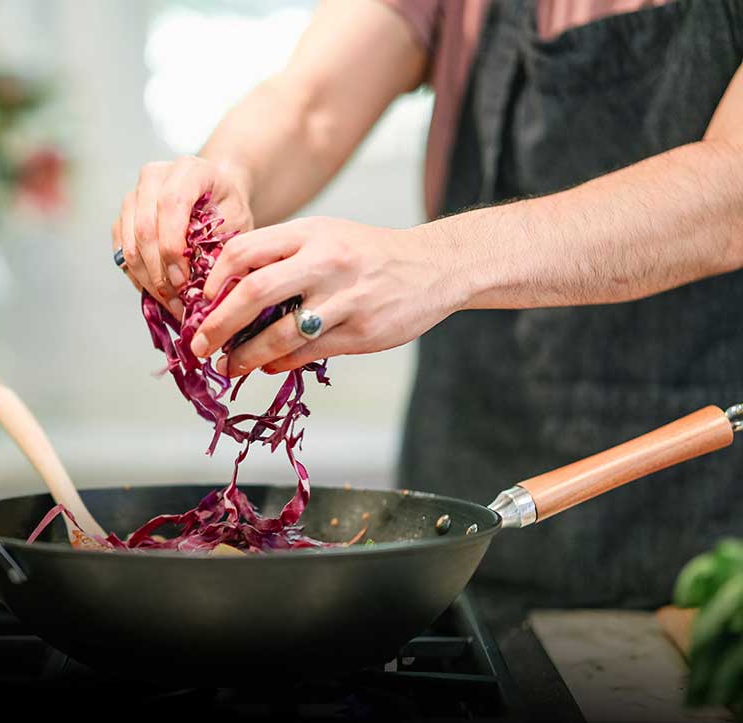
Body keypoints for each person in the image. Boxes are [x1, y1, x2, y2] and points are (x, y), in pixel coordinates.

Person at [111, 0, 743, 607]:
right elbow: (309, 106)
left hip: (698, 510)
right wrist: (224, 175)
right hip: (465, 474)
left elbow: (730, 192)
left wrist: (438, 262)